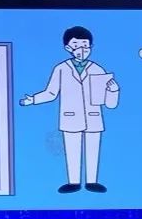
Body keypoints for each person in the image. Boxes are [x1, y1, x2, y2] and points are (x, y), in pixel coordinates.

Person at [21, 26, 118, 193]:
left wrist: (113, 91)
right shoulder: (61, 68)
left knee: (93, 149)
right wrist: (33, 100)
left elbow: (109, 103)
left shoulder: (97, 69)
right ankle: (73, 182)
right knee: (72, 149)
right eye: (76, 46)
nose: (82, 50)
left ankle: (92, 181)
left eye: (85, 46)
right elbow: (51, 93)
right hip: (70, 117)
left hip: (93, 116)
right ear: (68, 48)